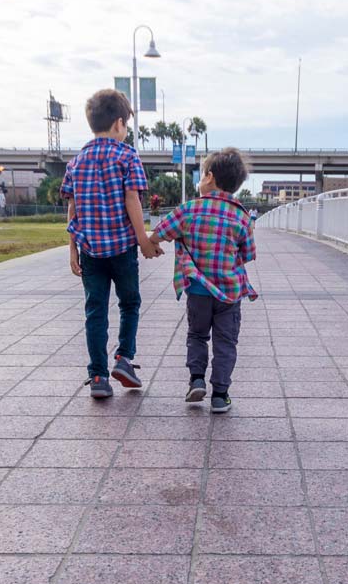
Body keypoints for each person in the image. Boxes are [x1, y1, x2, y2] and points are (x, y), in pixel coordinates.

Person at [61, 88, 163, 399]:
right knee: (129, 303)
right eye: (127, 126)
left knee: (95, 311)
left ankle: (97, 378)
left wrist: (72, 248)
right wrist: (143, 239)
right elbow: (132, 198)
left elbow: (72, 206)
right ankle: (123, 358)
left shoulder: (77, 161)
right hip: (121, 249)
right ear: (119, 123)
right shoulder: (127, 155)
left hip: (90, 251)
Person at [148, 148, 258, 414]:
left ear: (209, 177)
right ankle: (220, 395)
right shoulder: (241, 215)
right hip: (229, 293)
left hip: (197, 290)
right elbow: (248, 253)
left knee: (197, 335)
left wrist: (151, 244)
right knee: (225, 342)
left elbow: (159, 233)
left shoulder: (188, 210)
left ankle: (196, 380)